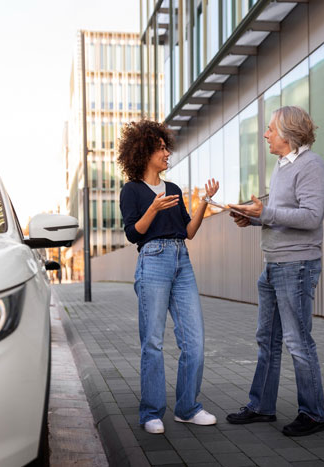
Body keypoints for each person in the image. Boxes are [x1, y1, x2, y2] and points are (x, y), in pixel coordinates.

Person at [226, 106, 324, 437]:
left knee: (298, 342)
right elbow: (281, 214)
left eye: (270, 129)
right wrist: (252, 217)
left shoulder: (311, 165)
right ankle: (261, 406)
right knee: (267, 340)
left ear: (287, 134)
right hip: (272, 264)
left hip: (296, 266)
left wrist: (266, 212)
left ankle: (312, 414)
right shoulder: (282, 166)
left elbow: (311, 217)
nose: (266, 135)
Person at [118, 119, 219, 434]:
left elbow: (188, 232)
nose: (166, 153)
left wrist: (203, 202)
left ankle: (188, 407)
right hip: (153, 261)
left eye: (165, 147)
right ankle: (151, 412)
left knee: (195, 341)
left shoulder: (173, 189)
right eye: (160, 148)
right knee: (153, 341)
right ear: (144, 152)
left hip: (181, 261)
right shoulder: (132, 190)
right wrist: (153, 208)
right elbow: (134, 234)